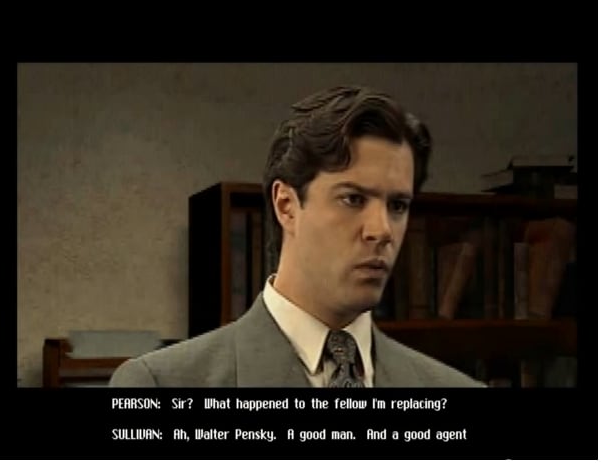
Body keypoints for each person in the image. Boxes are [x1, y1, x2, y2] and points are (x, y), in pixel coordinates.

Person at [110, 85, 485, 387]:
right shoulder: (161, 383)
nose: (382, 230)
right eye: (353, 199)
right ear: (286, 205)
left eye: (398, 205)